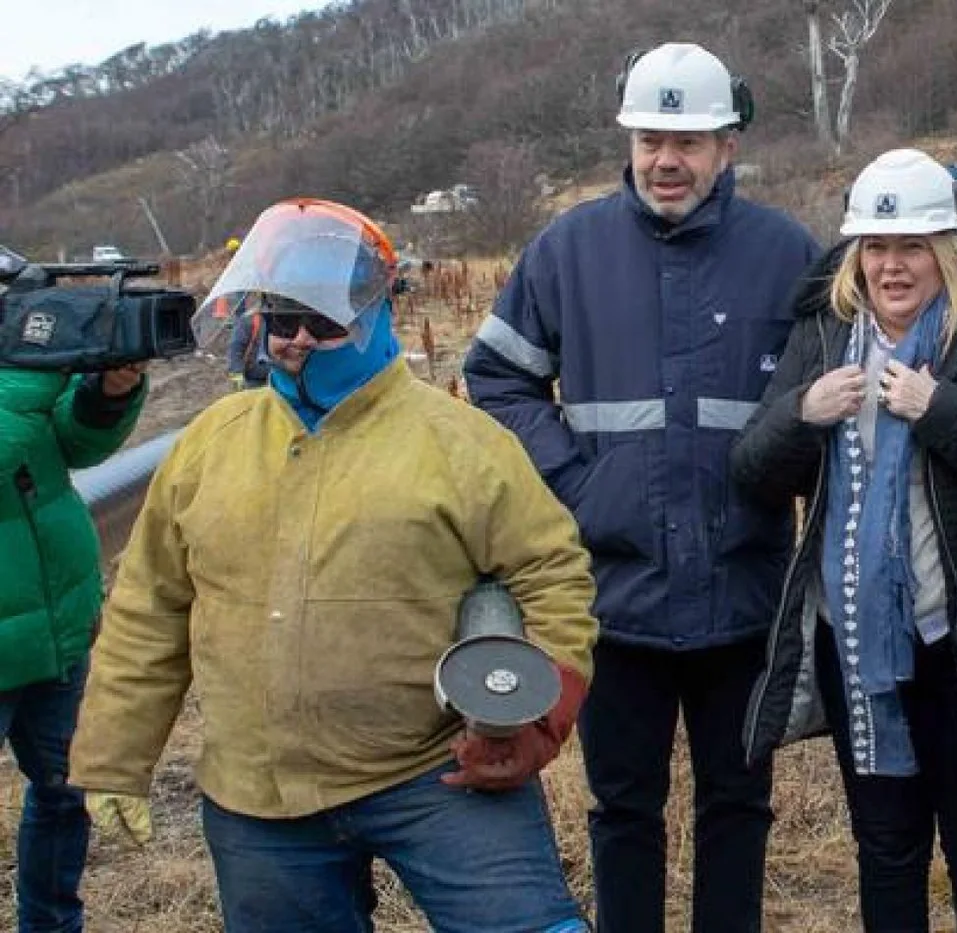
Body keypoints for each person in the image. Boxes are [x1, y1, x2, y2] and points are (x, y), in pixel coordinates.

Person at [68, 197, 598, 933]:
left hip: (436, 768)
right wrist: (115, 756)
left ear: (376, 311)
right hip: (260, 794)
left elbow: (554, 576)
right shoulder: (210, 442)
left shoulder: (462, 441)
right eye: (282, 319)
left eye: (322, 319)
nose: (297, 340)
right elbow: (150, 607)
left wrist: (540, 715)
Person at [463, 42, 820, 933]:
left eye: (689, 141)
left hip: (745, 594)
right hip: (614, 599)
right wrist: (581, 488)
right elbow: (496, 379)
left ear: (727, 147)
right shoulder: (566, 250)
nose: (667, 160)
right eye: (651, 138)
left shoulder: (787, 255)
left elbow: (828, 396)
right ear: (627, 140)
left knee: (738, 808)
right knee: (623, 813)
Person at [731, 148, 957, 931]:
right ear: (854, 254)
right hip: (854, 642)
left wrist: (944, 409)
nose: (892, 267)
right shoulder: (825, 334)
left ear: (949, 253)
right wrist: (804, 409)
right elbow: (753, 470)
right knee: (886, 847)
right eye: (876, 248)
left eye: (912, 249)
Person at [1, 357, 146, 932]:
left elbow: (74, 447)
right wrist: (37, 370)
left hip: (56, 624)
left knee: (64, 790)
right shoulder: (19, 375)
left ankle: (52, 923)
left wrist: (102, 394)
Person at [225, 308, 269, 389]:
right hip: (255, 372)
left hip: (280, 372)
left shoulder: (291, 318)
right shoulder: (250, 319)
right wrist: (237, 372)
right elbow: (236, 347)